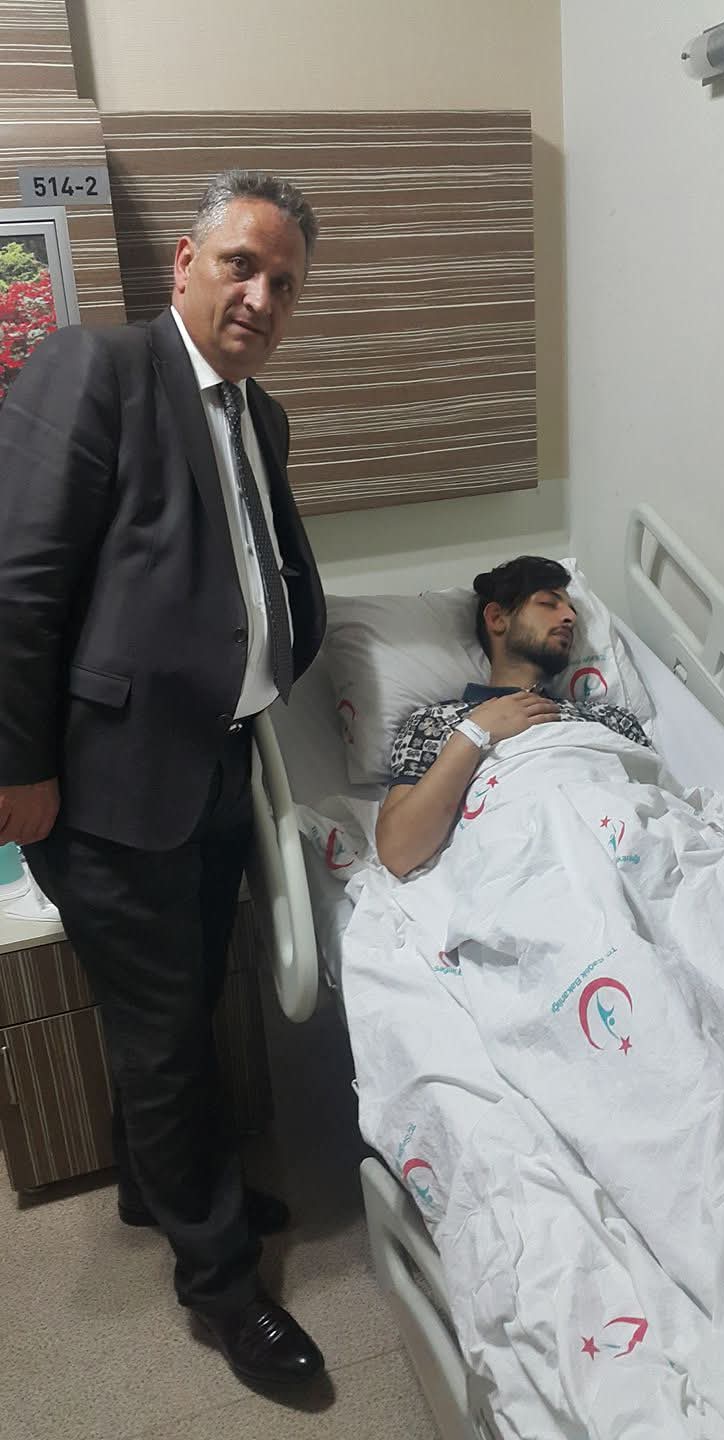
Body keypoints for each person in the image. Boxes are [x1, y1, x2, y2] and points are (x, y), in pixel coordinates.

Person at [0, 171, 327, 1389]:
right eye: (241, 265)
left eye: (283, 283)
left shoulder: (259, 416)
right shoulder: (100, 370)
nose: (260, 297)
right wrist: (18, 769)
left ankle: (155, 1184)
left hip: (216, 767)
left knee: (179, 1016)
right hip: (107, 790)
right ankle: (222, 1287)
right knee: (163, 1040)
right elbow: (16, 588)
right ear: (185, 263)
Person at [376, 556, 650, 877]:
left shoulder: (611, 719)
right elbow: (399, 852)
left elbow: (657, 803)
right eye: (548, 603)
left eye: (572, 610)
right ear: (497, 618)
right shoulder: (436, 723)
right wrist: (475, 733)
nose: (569, 617)